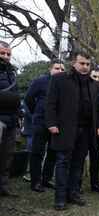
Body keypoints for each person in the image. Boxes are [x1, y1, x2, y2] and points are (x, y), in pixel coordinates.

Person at [46, 51, 99, 210]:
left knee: (78, 163)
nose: (85, 67)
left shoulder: (93, 84)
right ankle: (60, 198)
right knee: (63, 162)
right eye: (82, 63)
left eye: (87, 64)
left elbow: (98, 107)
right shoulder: (59, 79)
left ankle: (73, 193)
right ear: (73, 63)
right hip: (64, 129)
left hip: (85, 130)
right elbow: (50, 103)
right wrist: (51, 123)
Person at [25, 60, 65, 192]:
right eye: (57, 68)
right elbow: (29, 98)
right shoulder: (40, 81)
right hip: (41, 123)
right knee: (37, 152)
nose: (59, 71)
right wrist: (36, 112)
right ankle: (35, 181)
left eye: (62, 69)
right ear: (50, 69)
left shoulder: (64, 85)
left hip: (57, 124)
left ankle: (46, 179)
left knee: (52, 153)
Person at [0, 41, 20, 197]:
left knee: (7, 155)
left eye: (8, 54)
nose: (6, 56)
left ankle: (3, 186)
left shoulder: (12, 73)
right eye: (2, 53)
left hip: (11, 120)